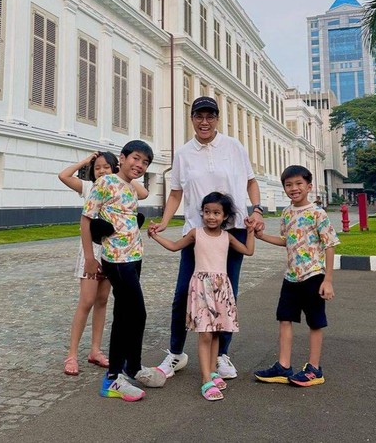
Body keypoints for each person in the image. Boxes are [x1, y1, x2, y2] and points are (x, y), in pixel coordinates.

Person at [151, 96, 264, 381]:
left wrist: (257, 210)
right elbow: (176, 191)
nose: (204, 122)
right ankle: (176, 353)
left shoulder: (233, 146)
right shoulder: (184, 153)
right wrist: (165, 221)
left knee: (227, 295)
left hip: (233, 229)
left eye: (210, 116)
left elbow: (251, 181)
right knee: (182, 294)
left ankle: (221, 354)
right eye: (199, 116)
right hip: (197, 232)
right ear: (192, 119)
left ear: (217, 119)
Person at [80, 140, 166, 401]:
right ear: (123, 157)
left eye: (145, 162)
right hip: (116, 259)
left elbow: (138, 198)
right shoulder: (104, 182)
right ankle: (113, 378)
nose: (139, 165)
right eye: (136, 159)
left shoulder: (130, 186)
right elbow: (86, 219)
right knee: (137, 313)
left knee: (123, 313)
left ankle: (132, 367)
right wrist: (89, 258)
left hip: (135, 256)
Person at [149, 192, 254, 400]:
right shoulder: (196, 233)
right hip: (201, 288)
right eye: (207, 212)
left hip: (221, 288)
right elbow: (174, 246)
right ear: (202, 213)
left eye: (216, 213)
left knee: (216, 331)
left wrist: (250, 231)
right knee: (205, 333)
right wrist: (156, 235)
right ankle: (206, 379)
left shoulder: (227, 237)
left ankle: (213, 371)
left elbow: (248, 251)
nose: (211, 217)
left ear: (225, 216)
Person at [58, 151, 149, 376]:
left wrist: (129, 171)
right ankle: (72, 354)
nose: (101, 171)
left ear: (115, 166)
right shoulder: (91, 187)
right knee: (87, 301)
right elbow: (64, 176)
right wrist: (85, 162)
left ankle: (95, 350)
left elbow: (143, 192)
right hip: (93, 250)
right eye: (97, 168)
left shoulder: (123, 185)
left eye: (106, 167)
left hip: (116, 252)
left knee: (102, 300)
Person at [254, 165, 340, 386]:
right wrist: (262, 236)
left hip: (313, 276)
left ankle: (314, 369)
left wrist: (328, 280)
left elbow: (330, 245)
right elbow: (287, 241)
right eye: (289, 185)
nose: (294, 188)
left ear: (309, 186)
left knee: (315, 322)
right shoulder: (286, 213)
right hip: (291, 277)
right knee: (284, 318)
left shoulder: (317, 213)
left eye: (299, 184)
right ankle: (283, 367)